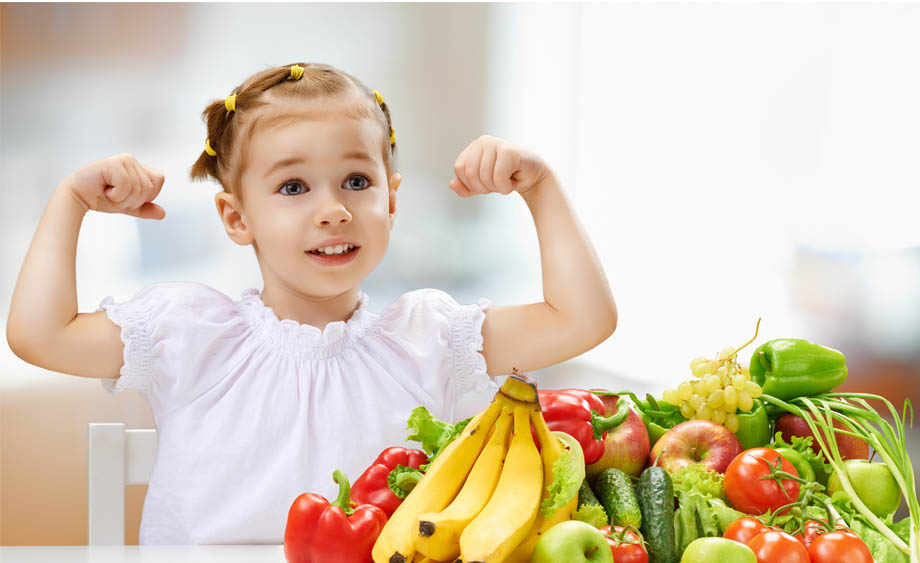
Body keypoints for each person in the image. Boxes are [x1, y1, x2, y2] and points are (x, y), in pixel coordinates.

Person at [6, 62, 617, 545]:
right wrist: (71, 202)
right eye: (293, 187)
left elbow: (582, 319)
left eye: (357, 181)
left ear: (392, 201)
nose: (334, 209)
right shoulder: (188, 333)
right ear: (237, 217)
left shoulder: (430, 339)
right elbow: (40, 334)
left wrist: (540, 187)